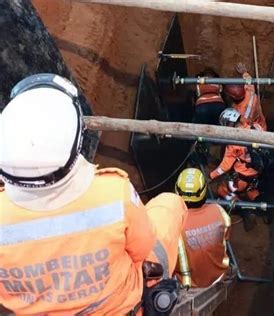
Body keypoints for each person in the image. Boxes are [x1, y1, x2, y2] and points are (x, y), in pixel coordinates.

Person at [0, 74, 187, 315]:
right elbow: (142, 248)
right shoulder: (112, 194)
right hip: (120, 306)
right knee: (169, 203)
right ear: (77, 139)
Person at [174, 168, 231, 288]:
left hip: (188, 285)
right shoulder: (219, 211)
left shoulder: (175, 223)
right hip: (219, 277)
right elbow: (226, 237)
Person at [209, 108, 261, 202]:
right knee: (251, 191)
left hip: (242, 177)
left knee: (221, 189)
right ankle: (261, 207)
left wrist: (212, 175)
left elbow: (225, 167)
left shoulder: (233, 143)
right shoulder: (256, 127)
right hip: (257, 172)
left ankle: (236, 203)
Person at [224, 63, 267, 130]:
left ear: (231, 97)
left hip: (257, 131)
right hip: (261, 122)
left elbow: (244, 128)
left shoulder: (243, 114)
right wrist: (244, 73)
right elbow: (250, 82)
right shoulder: (249, 93)